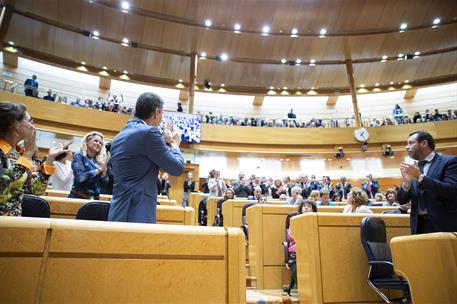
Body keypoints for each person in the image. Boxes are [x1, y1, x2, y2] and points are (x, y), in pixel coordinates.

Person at [108, 92, 184, 224]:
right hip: (138, 211)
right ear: (156, 112)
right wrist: (175, 145)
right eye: (162, 114)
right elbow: (177, 168)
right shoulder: (149, 133)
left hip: (118, 210)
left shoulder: (119, 136)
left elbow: (140, 161)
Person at [0, 102, 69, 216]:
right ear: (14, 124)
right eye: (29, 121)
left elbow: (35, 190)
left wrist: (50, 159)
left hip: (13, 222)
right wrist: (28, 154)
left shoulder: (17, 154)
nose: (32, 126)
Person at [398, 130, 457, 234]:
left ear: (424, 143)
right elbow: (402, 201)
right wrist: (406, 184)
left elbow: (452, 190)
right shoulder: (413, 168)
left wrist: (420, 177)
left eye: (411, 143)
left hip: (443, 225)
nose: (407, 147)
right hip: (418, 225)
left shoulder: (449, 162)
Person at [283, 199, 317, 296]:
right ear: (301, 208)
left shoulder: (315, 220)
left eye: (309, 206)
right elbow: (291, 236)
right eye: (304, 206)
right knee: (296, 265)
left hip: (311, 249)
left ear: (313, 210)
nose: (306, 207)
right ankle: (305, 292)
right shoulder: (294, 220)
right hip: (297, 250)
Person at [69, 131, 109, 200]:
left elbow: (104, 184)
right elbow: (80, 178)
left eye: (100, 143)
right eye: (96, 141)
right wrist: (99, 170)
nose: (98, 144)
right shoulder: (79, 155)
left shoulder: (99, 161)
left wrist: (104, 170)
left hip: (95, 199)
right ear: (87, 142)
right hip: (78, 197)